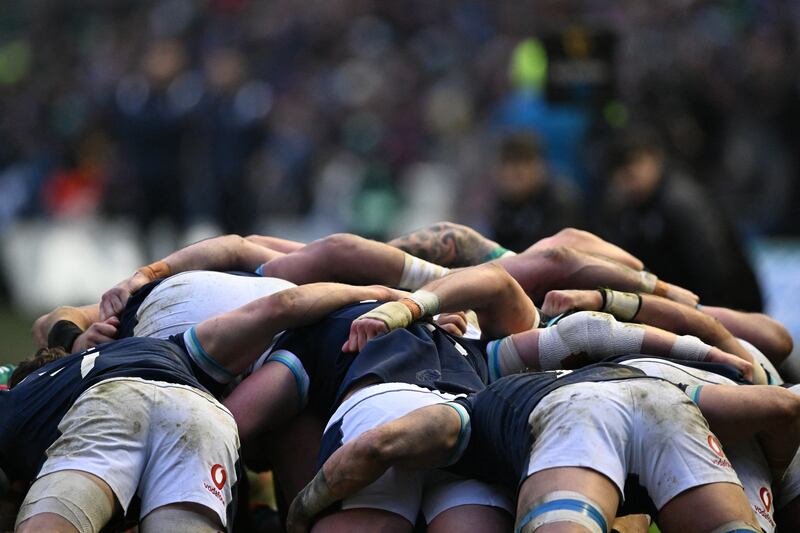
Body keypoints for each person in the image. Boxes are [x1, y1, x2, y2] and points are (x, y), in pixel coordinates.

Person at [7, 281, 399, 532]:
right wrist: (385, 297)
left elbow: (49, 322)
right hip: (203, 413)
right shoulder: (164, 345)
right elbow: (282, 305)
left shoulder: (22, 402)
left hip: (109, 406)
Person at [288, 362, 797, 533]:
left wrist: (302, 507)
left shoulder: (475, 408)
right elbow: (783, 407)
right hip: (666, 401)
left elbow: (380, 443)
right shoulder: (654, 368)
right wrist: (774, 468)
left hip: (577, 416)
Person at [596, 127, 763, 311]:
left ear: (654, 160)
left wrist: (713, 316)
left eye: (632, 171)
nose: (627, 181)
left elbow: (714, 267)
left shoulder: (682, 203)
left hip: (721, 306)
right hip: (678, 306)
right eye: (620, 175)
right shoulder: (625, 209)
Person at [488, 133, 585, 252]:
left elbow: (556, 256)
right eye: (509, 163)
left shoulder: (559, 203)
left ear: (541, 166)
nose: (515, 172)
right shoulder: (502, 207)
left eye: (525, 163)